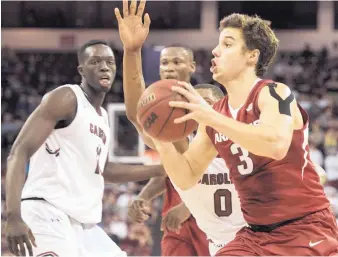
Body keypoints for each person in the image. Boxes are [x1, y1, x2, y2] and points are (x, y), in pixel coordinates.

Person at [118, 5, 338, 256]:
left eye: (227, 44)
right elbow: (186, 176)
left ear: (251, 56)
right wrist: (161, 135)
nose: (215, 50)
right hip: (255, 236)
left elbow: (275, 144)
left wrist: (211, 117)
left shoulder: (274, 93)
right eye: (218, 44)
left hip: (305, 228)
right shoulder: (216, 115)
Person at [5, 39, 167, 257]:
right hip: (47, 212)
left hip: (83, 225)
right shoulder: (66, 98)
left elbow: (105, 170)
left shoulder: (102, 118)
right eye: (95, 61)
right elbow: (18, 152)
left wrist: (160, 169)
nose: (104, 66)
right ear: (82, 70)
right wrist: (13, 216)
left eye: (110, 62)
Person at [115, 1, 247, 256]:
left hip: (241, 234)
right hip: (193, 228)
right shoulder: (179, 132)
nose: (170, 67)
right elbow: (137, 116)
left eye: (177, 61)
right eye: (165, 62)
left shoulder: (239, 135)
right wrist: (132, 52)